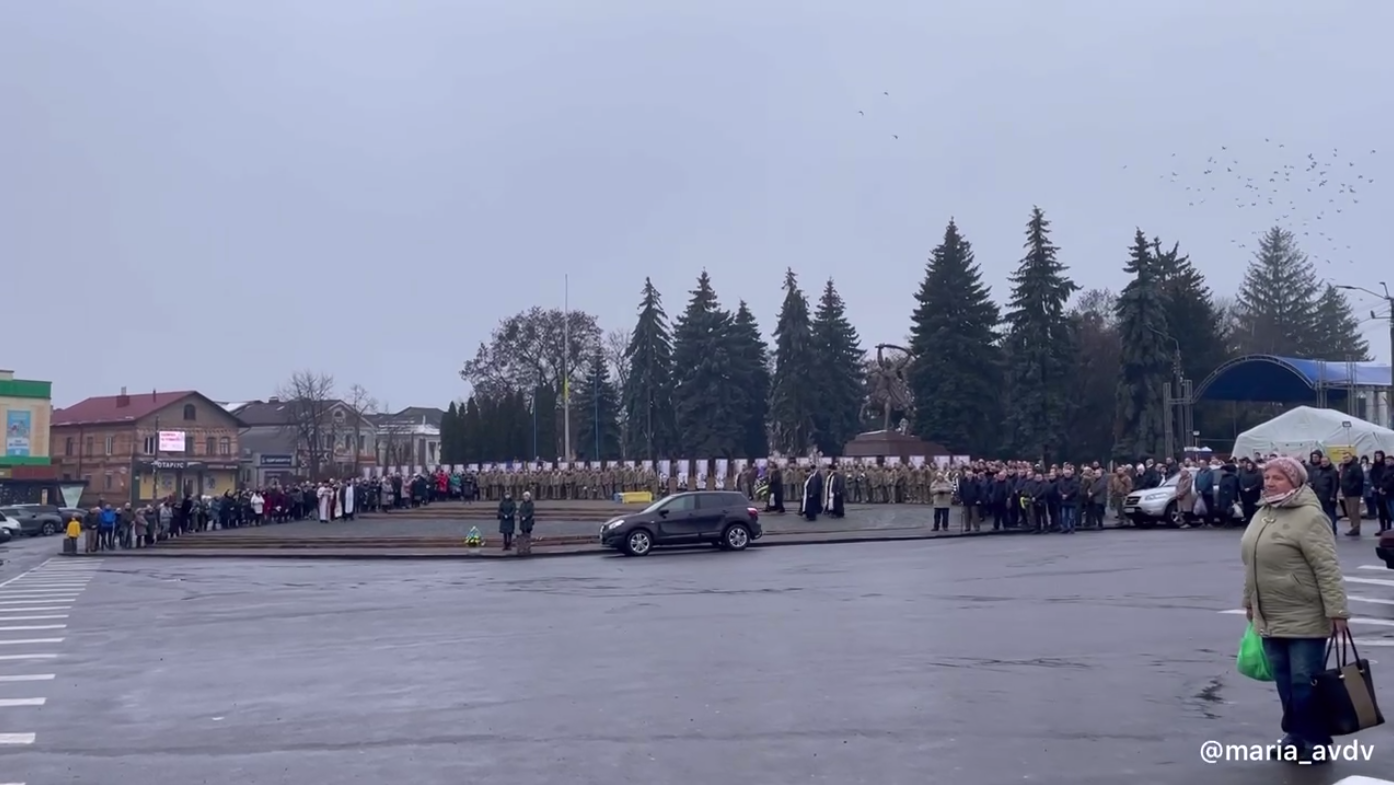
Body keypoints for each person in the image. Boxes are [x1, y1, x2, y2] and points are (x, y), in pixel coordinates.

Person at [1240, 455, 1350, 764]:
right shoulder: (1263, 512)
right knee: (1285, 679)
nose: (1270, 483)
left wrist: (1337, 611)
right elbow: (1252, 563)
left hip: (1305, 612)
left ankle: (1316, 740)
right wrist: (1249, 600)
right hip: (1270, 614)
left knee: (1305, 680)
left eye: (1278, 478)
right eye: (1267, 478)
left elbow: (1327, 567)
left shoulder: (1310, 517)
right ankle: (1295, 735)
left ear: (1296, 481)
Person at [517, 491, 535, 556]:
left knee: (528, 535)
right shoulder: (522, 504)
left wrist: (526, 517)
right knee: (523, 534)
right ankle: (523, 547)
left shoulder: (531, 504)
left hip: (528, 521)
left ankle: (528, 547)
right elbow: (520, 511)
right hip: (523, 522)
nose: (526, 498)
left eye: (527, 496)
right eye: (525, 496)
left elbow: (531, 512)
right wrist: (521, 516)